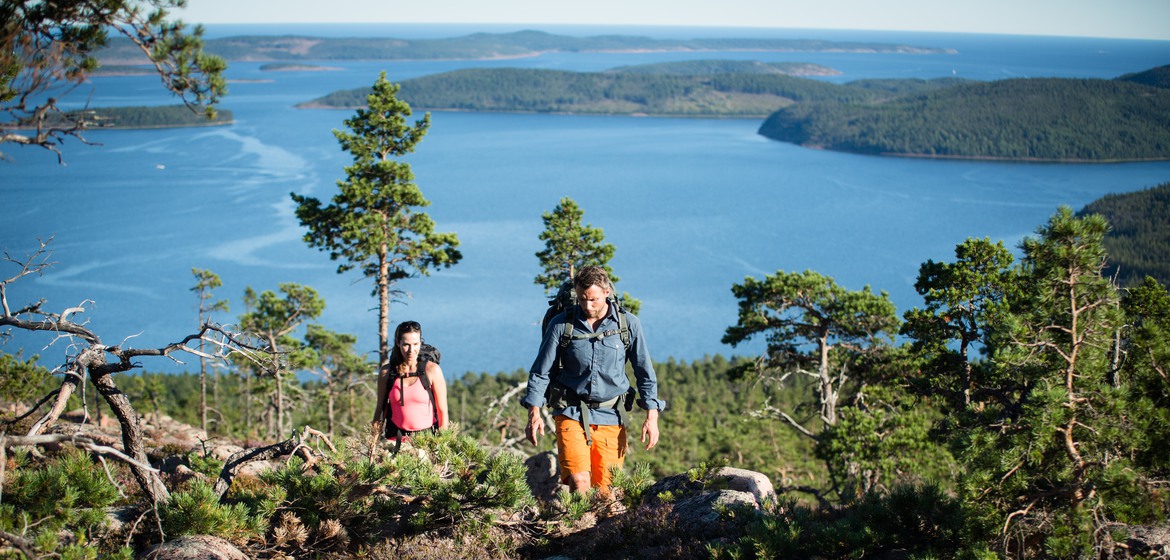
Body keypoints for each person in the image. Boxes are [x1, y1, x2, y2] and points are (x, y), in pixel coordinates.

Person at [522, 266, 665, 493]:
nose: (587, 306)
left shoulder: (628, 325)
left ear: (607, 292)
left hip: (611, 415)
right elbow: (541, 371)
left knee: (606, 493)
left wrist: (652, 416)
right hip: (570, 412)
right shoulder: (561, 325)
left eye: (593, 299)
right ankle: (579, 525)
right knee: (580, 483)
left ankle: (597, 530)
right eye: (582, 299)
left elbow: (644, 372)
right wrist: (534, 413)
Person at [374, 321, 449, 448]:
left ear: (420, 342)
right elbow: (380, 410)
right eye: (406, 345)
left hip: (427, 442)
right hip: (395, 441)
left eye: (415, 344)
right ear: (398, 343)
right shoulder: (387, 373)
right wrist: (373, 443)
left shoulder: (432, 370)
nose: (411, 350)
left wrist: (442, 446)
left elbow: (442, 411)